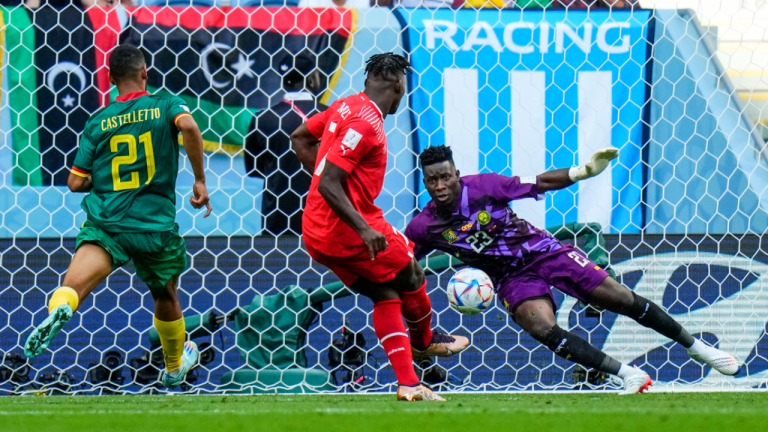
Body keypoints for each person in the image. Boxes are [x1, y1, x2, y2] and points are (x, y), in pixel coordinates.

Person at [405, 145, 741, 394]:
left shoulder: (485, 187)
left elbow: (539, 183)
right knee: (539, 325)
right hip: (511, 279)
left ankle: (699, 349)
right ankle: (626, 374)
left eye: (445, 177)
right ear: (425, 182)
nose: (440, 185)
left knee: (620, 297)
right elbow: (402, 259)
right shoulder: (424, 227)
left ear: (456, 175)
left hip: (544, 251)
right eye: (432, 180)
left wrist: (582, 171)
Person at [24, 45, 213, 390]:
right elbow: (188, 126)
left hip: (107, 222)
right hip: (153, 226)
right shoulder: (165, 104)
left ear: (110, 79)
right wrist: (199, 179)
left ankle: (61, 307)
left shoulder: (99, 121)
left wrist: (105, 179)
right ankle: (173, 366)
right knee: (166, 293)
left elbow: (75, 181)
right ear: (144, 72)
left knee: (73, 285)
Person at [291, 53, 469, 401]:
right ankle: (424, 342)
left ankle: (408, 384)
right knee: (413, 274)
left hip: (315, 230)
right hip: (346, 230)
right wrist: (362, 228)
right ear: (400, 85)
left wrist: (333, 185)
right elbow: (329, 182)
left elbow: (300, 138)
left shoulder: (344, 106)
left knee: (385, 294)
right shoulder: (366, 123)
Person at [244, 52, 328, 235]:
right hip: (325, 217)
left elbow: (253, 169)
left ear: (283, 79)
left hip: (277, 217)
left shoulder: (263, 118)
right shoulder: (332, 116)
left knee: (276, 262)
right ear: (312, 78)